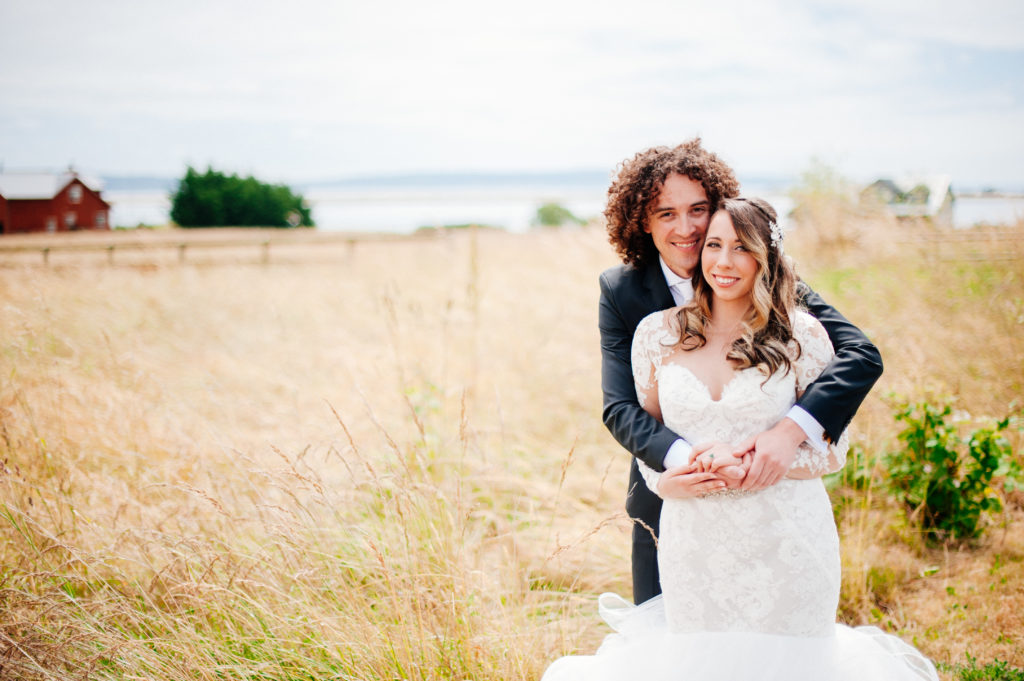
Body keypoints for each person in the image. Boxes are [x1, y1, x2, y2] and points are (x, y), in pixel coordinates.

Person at [542, 197, 938, 680]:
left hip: (787, 539)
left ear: (765, 258)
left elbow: (832, 452)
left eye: (741, 248)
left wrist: (761, 459)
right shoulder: (655, 334)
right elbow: (642, 427)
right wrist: (667, 481)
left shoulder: (802, 333)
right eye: (714, 246)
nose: (724, 262)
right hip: (695, 546)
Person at [597, 139, 884, 605]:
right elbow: (620, 408)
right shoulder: (621, 292)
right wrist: (683, 464)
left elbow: (860, 354)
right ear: (641, 221)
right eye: (665, 213)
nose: (686, 228)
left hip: (771, 510)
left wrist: (790, 431)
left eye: (698, 210)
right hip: (671, 503)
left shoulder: (764, 275)